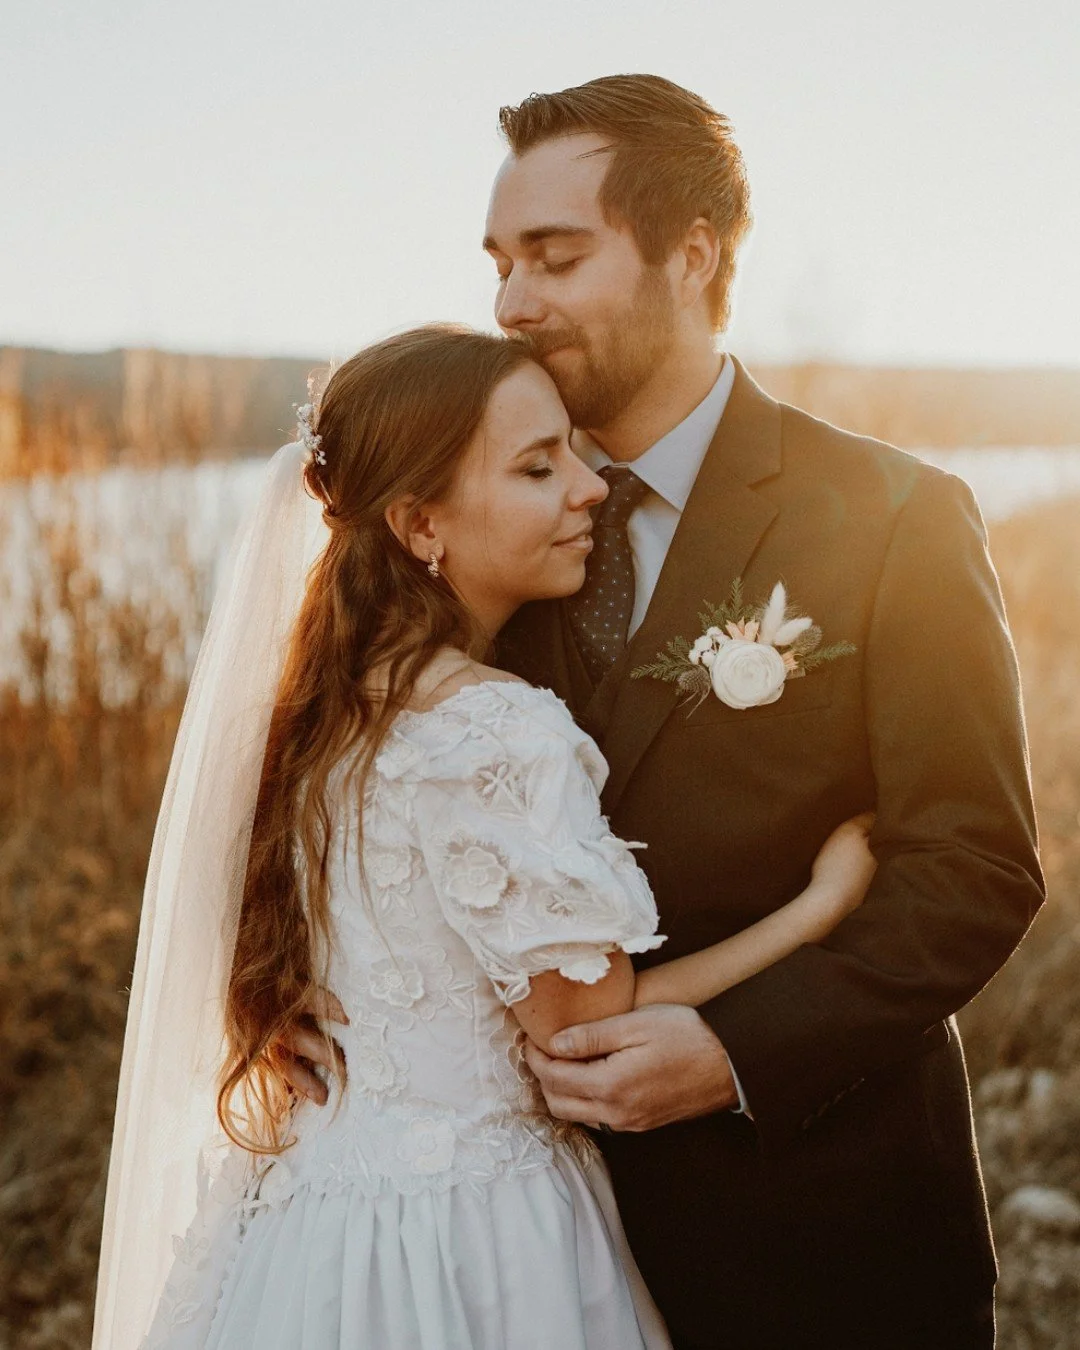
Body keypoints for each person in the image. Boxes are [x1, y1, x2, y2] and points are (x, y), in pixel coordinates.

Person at [279, 76, 1044, 1348]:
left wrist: (737, 1052)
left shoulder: (896, 515)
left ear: (692, 256)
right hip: (507, 1260)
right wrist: (297, 990)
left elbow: (973, 868)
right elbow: (344, 766)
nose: (513, 302)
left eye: (555, 256)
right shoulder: (472, 515)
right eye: (500, 263)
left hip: (815, 1233)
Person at [93, 325, 880, 1350]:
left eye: (571, 453)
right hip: (471, 1237)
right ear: (422, 524)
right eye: (538, 468)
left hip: (312, 1217)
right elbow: (582, 1026)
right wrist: (817, 909)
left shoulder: (319, 709)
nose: (591, 488)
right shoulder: (494, 727)